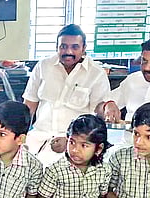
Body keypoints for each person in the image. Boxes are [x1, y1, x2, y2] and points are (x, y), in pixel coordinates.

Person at [22, 24, 110, 166]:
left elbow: (96, 118)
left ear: (84, 48)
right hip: (38, 138)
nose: (68, 51)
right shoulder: (44, 66)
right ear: (57, 47)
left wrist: (70, 139)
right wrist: (19, 135)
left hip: (75, 144)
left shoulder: (96, 73)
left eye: (75, 47)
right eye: (63, 46)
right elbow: (29, 105)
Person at [97, 36, 150, 153]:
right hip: (127, 150)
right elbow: (99, 107)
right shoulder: (133, 80)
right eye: (144, 61)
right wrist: (108, 105)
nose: (147, 67)